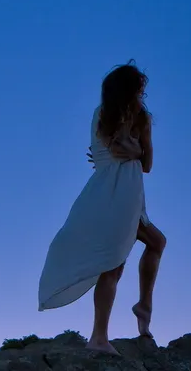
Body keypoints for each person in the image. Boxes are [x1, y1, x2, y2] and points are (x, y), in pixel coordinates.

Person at [37, 61, 167, 353]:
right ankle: (99, 336)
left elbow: (146, 164)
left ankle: (142, 306)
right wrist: (133, 150)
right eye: (138, 88)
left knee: (155, 243)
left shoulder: (142, 118)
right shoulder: (105, 114)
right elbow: (120, 150)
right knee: (113, 263)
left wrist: (133, 151)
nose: (142, 93)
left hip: (128, 193)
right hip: (110, 193)